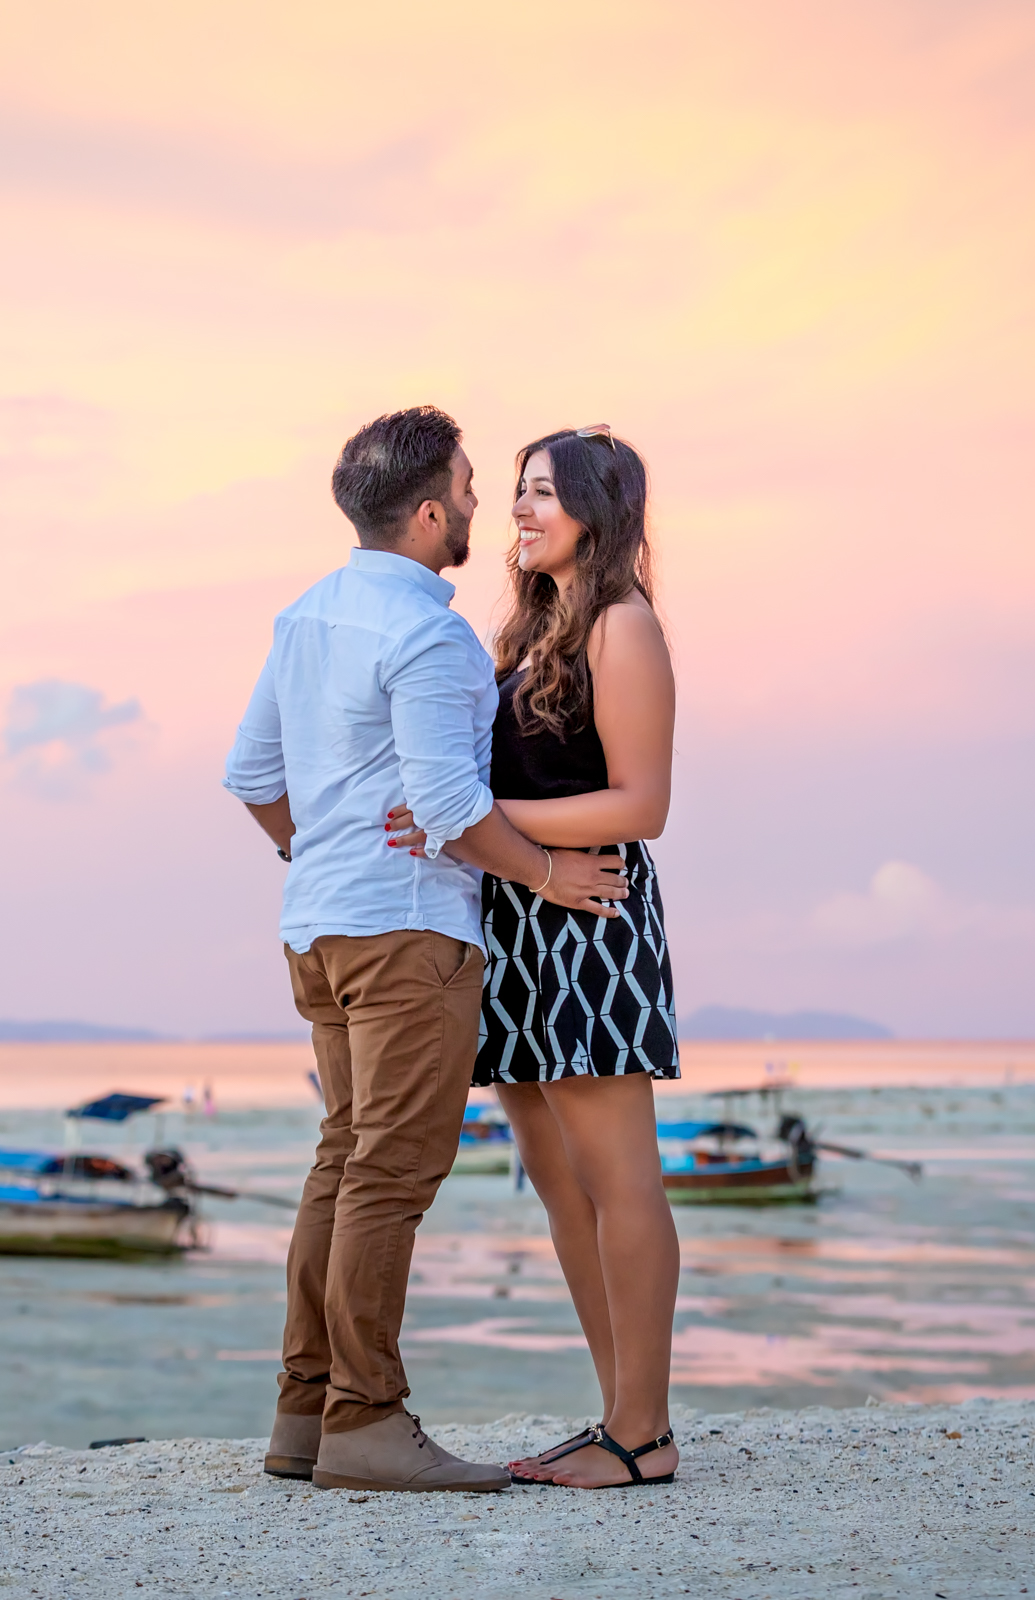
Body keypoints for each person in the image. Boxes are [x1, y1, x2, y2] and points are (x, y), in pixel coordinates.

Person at [224, 406, 631, 1494]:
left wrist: (324, 853)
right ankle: (366, 1417)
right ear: (432, 511)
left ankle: (305, 1415)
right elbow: (452, 808)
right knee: (390, 1176)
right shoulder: (432, 636)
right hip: (407, 933)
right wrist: (550, 875)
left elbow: (252, 776)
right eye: (468, 483)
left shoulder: (304, 617)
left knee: (343, 1161)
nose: (484, 505)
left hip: (318, 925)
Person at [384, 424, 682, 1489]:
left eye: (544, 493)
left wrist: (471, 813)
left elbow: (642, 803)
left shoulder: (621, 625)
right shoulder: (530, 633)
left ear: (597, 512)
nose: (518, 509)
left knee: (620, 1180)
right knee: (561, 1188)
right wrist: (467, 829)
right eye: (515, 491)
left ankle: (644, 1434)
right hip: (514, 919)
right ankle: (618, 1419)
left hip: (590, 914)